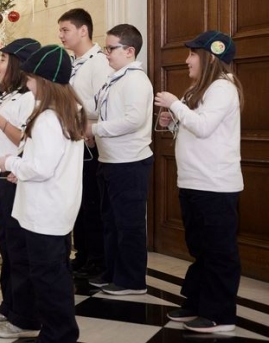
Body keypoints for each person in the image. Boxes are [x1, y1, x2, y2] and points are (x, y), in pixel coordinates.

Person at [155, 31, 243, 334]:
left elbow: (204, 127)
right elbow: (194, 130)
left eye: (193, 54)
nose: (187, 60)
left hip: (215, 184)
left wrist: (174, 105)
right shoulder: (199, 89)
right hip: (194, 182)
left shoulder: (223, 88)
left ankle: (220, 315)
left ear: (209, 57)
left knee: (218, 252)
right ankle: (198, 304)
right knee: (201, 249)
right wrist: (172, 122)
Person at [0, 44, 85, 342]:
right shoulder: (70, 111)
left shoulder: (48, 118)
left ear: (45, 81)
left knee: (48, 279)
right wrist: (21, 169)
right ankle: (58, 331)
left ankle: (58, 334)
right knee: (55, 275)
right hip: (57, 206)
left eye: (31, 79)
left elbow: (41, 167)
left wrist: (10, 162)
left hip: (43, 210)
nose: (28, 84)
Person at [0, 38, 40, 334]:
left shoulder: (27, 99)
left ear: (17, 63)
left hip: (18, 176)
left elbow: (23, 139)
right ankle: (10, 306)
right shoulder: (8, 97)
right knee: (9, 247)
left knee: (19, 248)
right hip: (3, 176)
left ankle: (25, 316)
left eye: (2, 60)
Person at [87, 24, 153, 296]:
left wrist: (96, 129)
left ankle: (132, 280)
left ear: (129, 51)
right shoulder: (115, 78)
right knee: (111, 221)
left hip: (129, 161)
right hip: (110, 159)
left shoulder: (136, 80)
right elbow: (106, 112)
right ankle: (113, 272)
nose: (106, 53)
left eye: (111, 48)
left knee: (129, 224)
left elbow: (133, 120)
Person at [58, 8, 111, 278]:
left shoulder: (98, 62)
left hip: (92, 142)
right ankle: (82, 253)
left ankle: (96, 258)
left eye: (65, 30)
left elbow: (103, 104)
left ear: (83, 31)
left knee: (91, 202)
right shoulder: (73, 62)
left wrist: (72, 103)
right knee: (77, 201)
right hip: (74, 139)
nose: (61, 35)